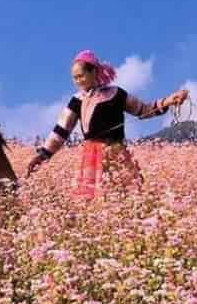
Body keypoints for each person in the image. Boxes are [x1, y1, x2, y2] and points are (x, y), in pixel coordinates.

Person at [25, 50, 187, 198]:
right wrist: (43, 155)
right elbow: (61, 131)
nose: (78, 81)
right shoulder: (77, 101)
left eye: (81, 76)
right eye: (75, 78)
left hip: (117, 152)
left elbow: (143, 110)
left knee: (128, 197)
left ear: (94, 72)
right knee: (94, 201)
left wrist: (169, 101)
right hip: (92, 156)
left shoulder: (116, 94)